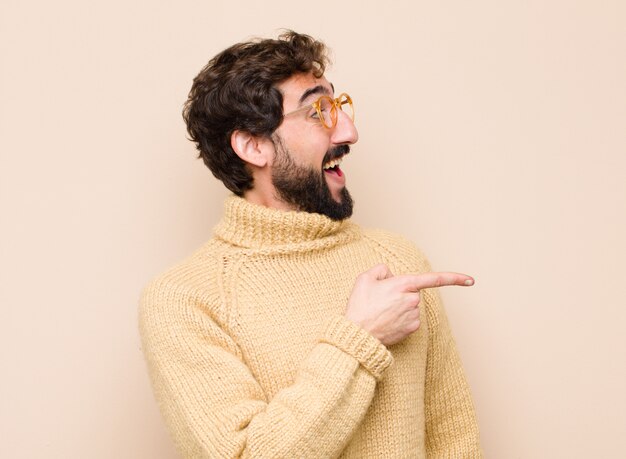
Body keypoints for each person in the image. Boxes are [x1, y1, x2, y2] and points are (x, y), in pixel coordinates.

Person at [139, 30, 483, 458]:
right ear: (253, 145)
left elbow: (453, 435)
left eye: (339, 106)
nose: (350, 131)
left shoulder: (399, 260)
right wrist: (359, 338)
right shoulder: (185, 299)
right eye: (319, 110)